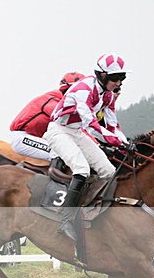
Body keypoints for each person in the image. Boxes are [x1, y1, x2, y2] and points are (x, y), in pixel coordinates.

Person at [45, 53, 131, 241]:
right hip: (59, 131)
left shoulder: (107, 95)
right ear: (102, 75)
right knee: (82, 169)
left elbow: (113, 125)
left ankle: (96, 213)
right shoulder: (84, 88)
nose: (119, 83)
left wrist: (125, 142)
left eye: (122, 77)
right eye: (115, 78)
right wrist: (118, 143)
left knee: (109, 171)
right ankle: (65, 220)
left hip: (75, 132)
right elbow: (91, 124)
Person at [9, 72, 85, 162]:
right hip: (22, 138)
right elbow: (72, 126)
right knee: (62, 152)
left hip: (35, 137)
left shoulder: (63, 102)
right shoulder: (53, 101)